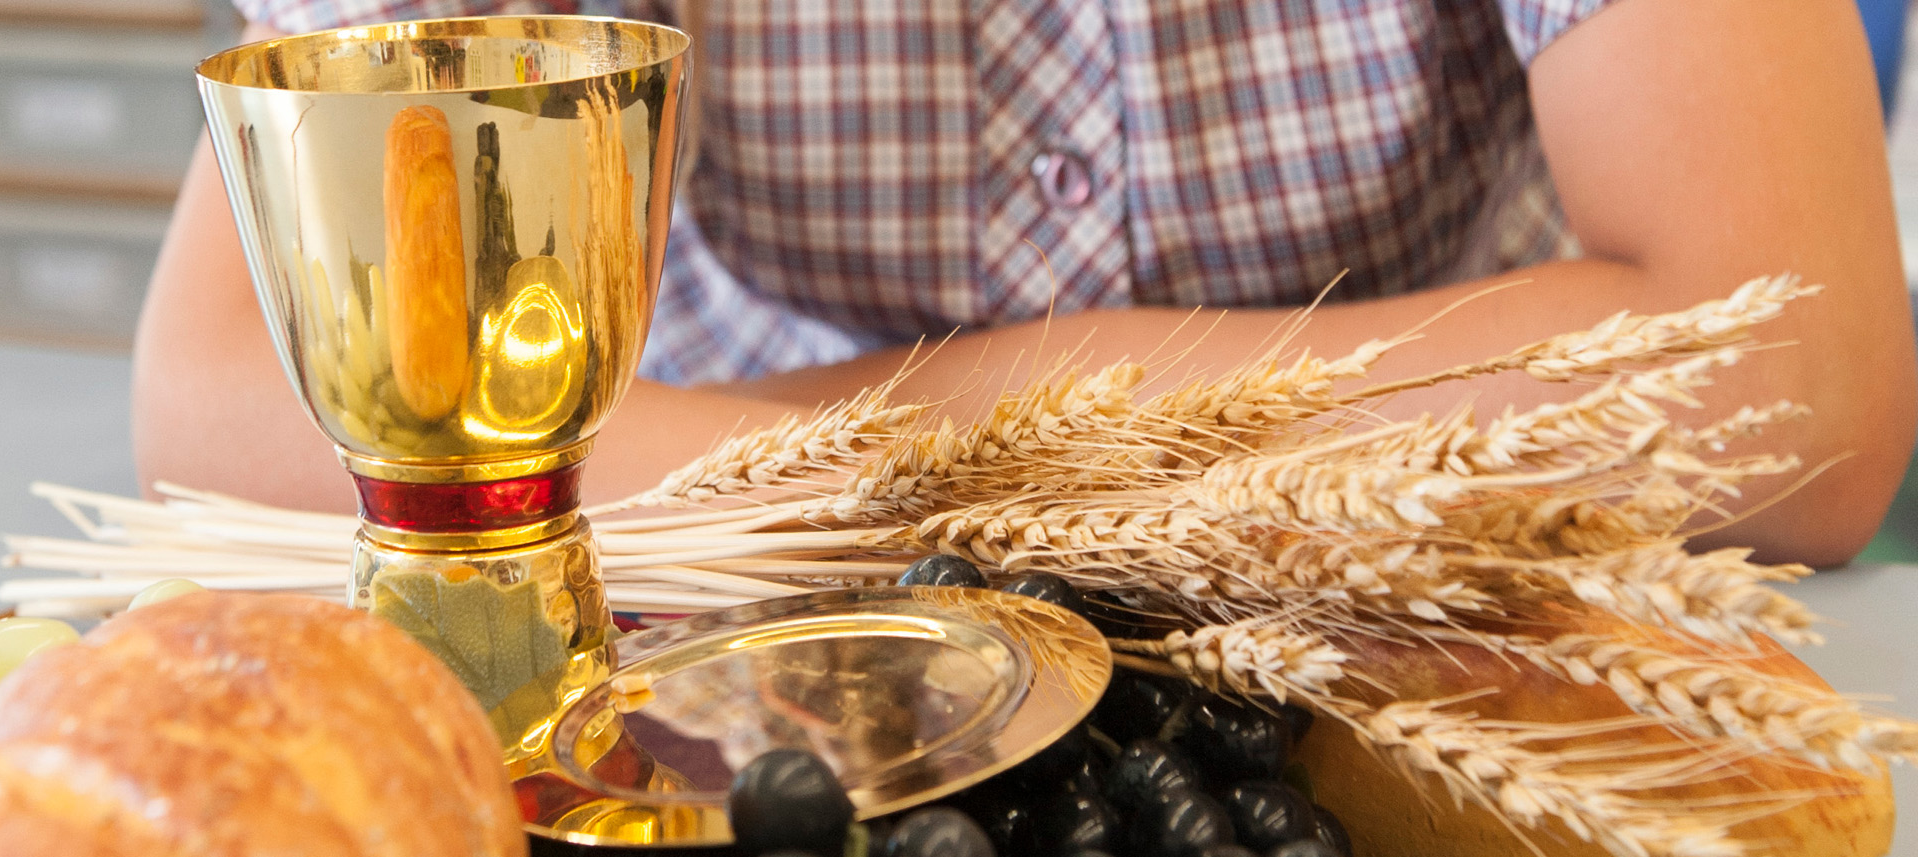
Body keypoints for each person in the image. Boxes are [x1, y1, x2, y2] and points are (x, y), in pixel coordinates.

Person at [134, 0, 1917, 566]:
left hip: (1434, 595)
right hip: (737, 621)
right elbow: (245, 390)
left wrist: (800, 455)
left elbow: (1800, 383)